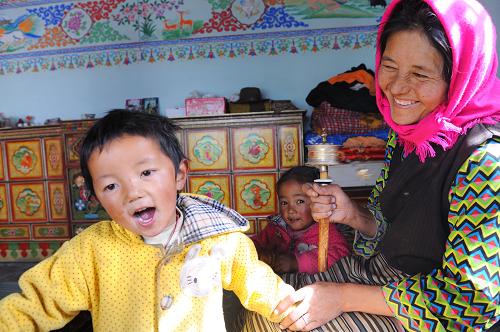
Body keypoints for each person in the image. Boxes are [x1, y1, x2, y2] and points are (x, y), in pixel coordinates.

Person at [244, 0, 499, 331]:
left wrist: (342, 297)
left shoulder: (484, 161)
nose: (397, 88)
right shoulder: (405, 136)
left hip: (419, 312)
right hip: (375, 273)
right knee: (264, 300)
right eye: (389, 67)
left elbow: (471, 302)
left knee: (279, 325)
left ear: (461, 75)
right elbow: (390, 230)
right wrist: (351, 213)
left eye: (420, 74)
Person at [0, 110, 295, 331]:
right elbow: (34, 304)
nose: (133, 192)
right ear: (97, 198)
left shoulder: (216, 239)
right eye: (111, 186)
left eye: (146, 173)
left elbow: (259, 283)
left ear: (180, 175)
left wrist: (292, 309)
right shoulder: (89, 251)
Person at [251, 166, 350, 274]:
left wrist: (296, 263)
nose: (291, 210)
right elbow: (256, 243)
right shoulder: (276, 228)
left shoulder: (325, 230)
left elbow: (341, 255)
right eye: (284, 203)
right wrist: (256, 251)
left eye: (299, 202)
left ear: (319, 201)